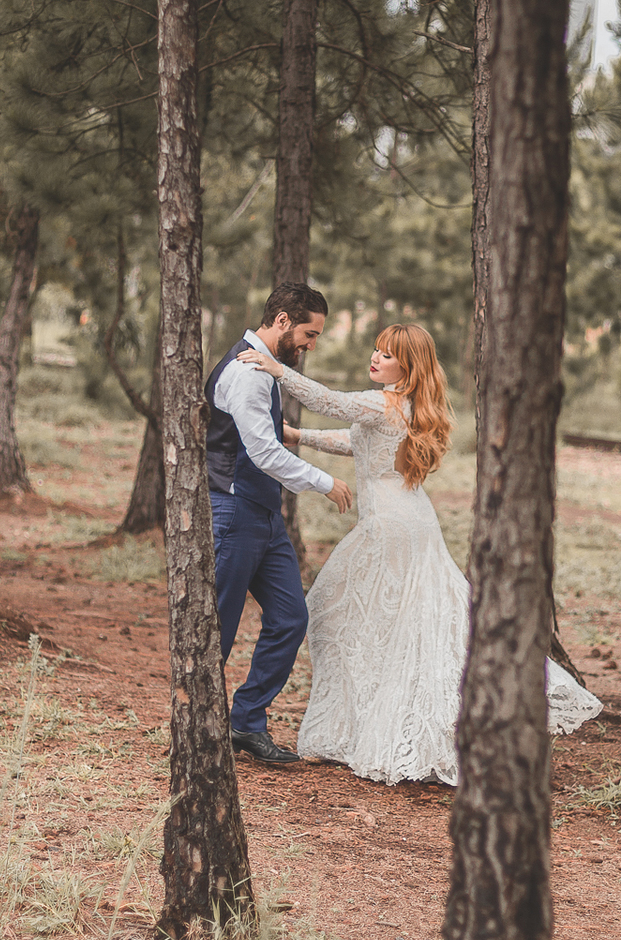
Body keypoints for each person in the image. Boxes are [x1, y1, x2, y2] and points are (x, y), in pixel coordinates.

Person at [237, 321, 601, 785]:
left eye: (387, 354)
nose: (376, 358)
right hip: (410, 520)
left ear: (408, 367)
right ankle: (376, 718)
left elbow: (331, 401)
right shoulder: (400, 406)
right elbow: (356, 441)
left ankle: (396, 724)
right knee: (386, 621)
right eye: (376, 349)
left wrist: (278, 370)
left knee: (342, 613)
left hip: (391, 526)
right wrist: (299, 436)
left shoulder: (383, 403)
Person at [206, 282, 352, 768]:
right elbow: (262, 454)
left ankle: (246, 720)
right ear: (283, 321)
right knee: (219, 626)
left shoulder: (266, 367)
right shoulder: (247, 372)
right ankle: (197, 729)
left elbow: (269, 438)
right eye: (310, 334)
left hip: (265, 517)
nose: (311, 345)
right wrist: (324, 482)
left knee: (290, 618)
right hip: (233, 511)